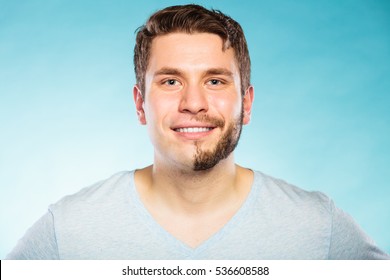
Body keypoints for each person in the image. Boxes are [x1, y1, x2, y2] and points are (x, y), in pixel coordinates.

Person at [7, 4, 389, 260]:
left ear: (248, 103)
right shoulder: (69, 230)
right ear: (140, 104)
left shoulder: (318, 227)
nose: (194, 102)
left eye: (216, 81)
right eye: (171, 81)